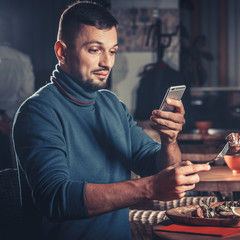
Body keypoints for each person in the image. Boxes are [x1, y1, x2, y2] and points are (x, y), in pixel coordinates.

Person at [12, 2, 210, 240]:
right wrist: (150, 187)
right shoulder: (38, 111)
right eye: (95, 50)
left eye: (113, 51)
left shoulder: (112, 105)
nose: (107, 62)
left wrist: (170, 140)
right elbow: (55, 199)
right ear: (62, 52)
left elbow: (159, 168)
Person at [0, 11, 35, 169]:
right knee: (12, 171)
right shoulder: (23, 59)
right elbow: (27, 94)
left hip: (6, 121)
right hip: (12, 122)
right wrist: (7, 116)